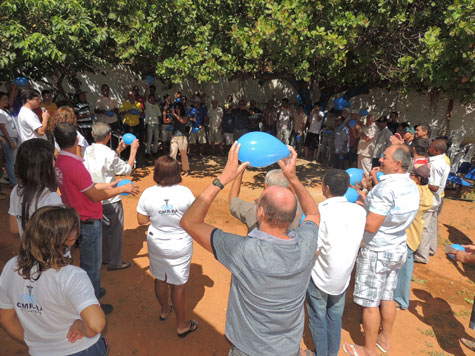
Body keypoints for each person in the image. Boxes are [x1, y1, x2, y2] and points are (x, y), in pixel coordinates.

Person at [180, 143, 321, 356]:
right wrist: (293, 178)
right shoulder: (306, 244)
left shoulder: (242, 250)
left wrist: (223, 178)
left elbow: (190, 222)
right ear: (293, 216)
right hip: (289, 349)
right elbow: (313, 214)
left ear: (260, 213)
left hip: (248, 349)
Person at [343, 144, 420, 356]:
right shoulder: (411, 185)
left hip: (377, 250)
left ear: (397, 164)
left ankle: (368, 349)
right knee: (387, 296)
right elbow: (390, 213)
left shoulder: (386, 189)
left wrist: (359, 209)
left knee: (369, 303)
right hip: (397, 246)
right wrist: (367, 201)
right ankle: (385, 340)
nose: (380, 160)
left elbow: (371, 225)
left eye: (385, 157)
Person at [54, 122, 138, 314]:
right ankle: (92, 305)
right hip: (88, 218)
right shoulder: (74, 164)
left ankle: (94, 292)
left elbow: (89, 186)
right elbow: (93, 194)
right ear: (76, 139)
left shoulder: (61, 161)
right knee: (91, 266)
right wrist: (121, 188)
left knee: (89, 259)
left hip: (76, 214)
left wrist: (113, 184)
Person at [0, 206, 108, 356]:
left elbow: (6, 319)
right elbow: (96, 324)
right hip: (80, 349)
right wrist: (81, 327)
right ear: (69, 239)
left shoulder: (12, 266)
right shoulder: (72, 276)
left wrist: (36, 343)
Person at [307, 169, 366, 356]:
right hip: (343, 277)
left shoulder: (321, 211)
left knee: (318, 316)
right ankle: (332, 352)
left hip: (321, 276)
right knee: (335, 315)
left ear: (326, 188)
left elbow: (315, 249)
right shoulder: (359, 211)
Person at [137, 156, 197, 337]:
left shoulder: (148, 193)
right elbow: (195, 218)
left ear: (157, 173)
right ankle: (181, 325)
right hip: (180, 243)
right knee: (178, 285)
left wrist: (157, 217)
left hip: (157, 242)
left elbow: (141, 221)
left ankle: (164, 310)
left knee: (160, 278)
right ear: (176, 172)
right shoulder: (185, 193)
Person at [84, 122, 139, 271]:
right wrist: (133, 151)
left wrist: (119, 149)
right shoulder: (108, 153)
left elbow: (105, 161)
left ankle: (104, 257)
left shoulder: (86, 150)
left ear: (92, 134)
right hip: (111, 197)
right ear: (109, 136)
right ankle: (114, 262)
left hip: (93, 196)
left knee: (101, 229)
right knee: (115, 231)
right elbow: (126, 170)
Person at [393, 164, 433, 310]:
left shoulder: (414, 191)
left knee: (401, 270)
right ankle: (402, 299)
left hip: (406, 237)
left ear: (417, 178)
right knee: (406, 268)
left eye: (411, 175)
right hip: (414, 236)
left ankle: (398, 299)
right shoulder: (426, 192)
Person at [9, 139, 63, 238]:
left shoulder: (16, 190)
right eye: (53, 158)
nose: (55, 161)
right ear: (46, 166)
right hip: (52, 252)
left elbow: (14, 228)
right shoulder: (51, 198)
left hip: (29, 251)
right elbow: (60, 235)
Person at [228, 168, 304, 233]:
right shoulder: (300, 208)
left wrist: (240, 172)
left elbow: (232, 201)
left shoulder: (254, 212)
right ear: (289, 187)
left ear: (266, 186)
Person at [414, 139, 450, 264]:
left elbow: (434, 186)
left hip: (430, 199)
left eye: (431, 148)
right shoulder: (442, 161)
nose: (429, 149)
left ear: (437, 150)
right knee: (431, 227)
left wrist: (421, 181)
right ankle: (430, 249)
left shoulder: (435, 164)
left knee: (424, 227)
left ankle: (421, 256)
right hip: (436, 199)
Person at [0, 92, 18, 187]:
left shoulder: (4, 111)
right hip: (8, 138)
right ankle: (13, 181)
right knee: (11, 160)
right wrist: (10, 141)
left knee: (11, 160)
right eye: (4, 99)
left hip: (10, 138)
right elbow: (3, 128)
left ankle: (8, 178)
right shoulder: (1, 113)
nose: (6, 101)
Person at [169, 102, 190, 176]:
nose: (177, 110)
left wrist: (175, 114)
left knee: (183, 154)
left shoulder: (185, 116)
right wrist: (164, 113)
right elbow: (166, 121)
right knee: (172, 154)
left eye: (178, 108)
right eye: (176, 108)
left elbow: (182, 121)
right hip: (174, 137)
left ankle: (185, 170)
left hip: (182, 137)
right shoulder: (174, 117)